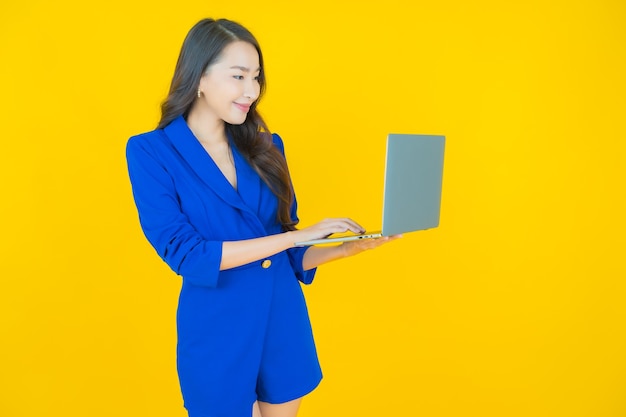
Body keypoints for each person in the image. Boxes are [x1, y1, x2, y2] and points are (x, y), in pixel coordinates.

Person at [126, 18, 400, 417]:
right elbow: (188, 256)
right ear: (199, 77)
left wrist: (344, 249)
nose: (252, 91)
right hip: (219, 329)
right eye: (238, 76)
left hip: (281, 320)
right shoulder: (151, 152)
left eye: (256, 77)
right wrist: (296, 237)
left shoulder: (268, 146)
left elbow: (289, 255)